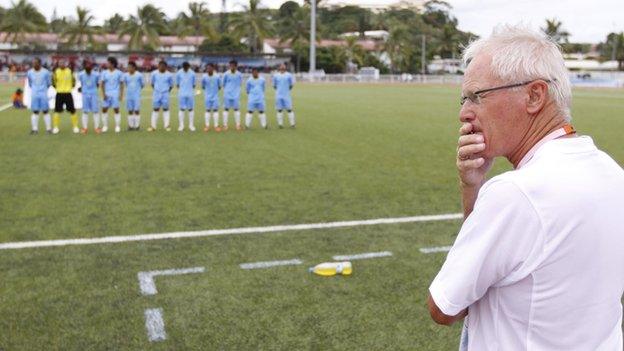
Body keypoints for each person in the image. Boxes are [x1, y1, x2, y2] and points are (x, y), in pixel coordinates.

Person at [427, 25, 624, 350]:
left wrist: (473, 194)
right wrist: (472, 186)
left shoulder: (515, 194)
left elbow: (446, 306)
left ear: (534, 95)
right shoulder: (612, 173)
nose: (464, 113)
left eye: (477, 96)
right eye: (464, 99)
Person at [26, 58, 52, 134]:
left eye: (36, 63)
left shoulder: (46, 72)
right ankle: (34, 129)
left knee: (45, 111)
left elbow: (48, 83)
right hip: (34, 94)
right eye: (33, 63)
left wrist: (43, 90)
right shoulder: (30, 72)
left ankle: (48, 129)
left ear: (40, 63)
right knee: (35, 111)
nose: (34, 64)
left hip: (43, 94)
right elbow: (30, 83)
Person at [51, 59, 77, 134]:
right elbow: (53, 82)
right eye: (60, 63)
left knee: (72, 110)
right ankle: (56, 127)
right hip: (59, 93)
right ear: (58, 64)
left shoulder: (70, 71)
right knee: (57, 110)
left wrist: (69, 88)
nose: (61, 64)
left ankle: (75, 127)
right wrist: (58, 88)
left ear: (65, 64)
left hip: (68, 93)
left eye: (63, 63)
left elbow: (74, 81)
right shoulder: (56, 72)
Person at [149, 60, 174, 132]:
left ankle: (167, 126)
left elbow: (171, 85)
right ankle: (153, 126)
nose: (161, 67)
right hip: (156, 93)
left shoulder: (169, 75)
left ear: (166, 67)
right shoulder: (154, 73)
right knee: (155, 109)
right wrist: (157, 90)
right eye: (160, 66)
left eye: (163, 66)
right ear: (158, 66)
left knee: (166, 109)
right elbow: (152, 84)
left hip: (165, 93)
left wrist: (166, 91)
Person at [101, 57, 124, 133]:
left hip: (115, 93)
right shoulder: (104, 73)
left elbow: (121, 84)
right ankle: (105, 126)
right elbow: (102, 84)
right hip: (107, 93)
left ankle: (117, 126)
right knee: (104, 109)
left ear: (113, 64)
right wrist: (103, 94)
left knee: (116, 109)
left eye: (108, 63)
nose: (107, 64)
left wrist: (121, 95)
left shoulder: (119, 73)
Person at [77, 60, 101, 134]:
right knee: (85, 111)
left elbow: (97, 84)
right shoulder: (80, 74)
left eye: (89, 66)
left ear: (91, 67)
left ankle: (97, 128)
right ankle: (85, 128)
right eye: (86, 66)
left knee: (95, 111)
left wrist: (93, 90)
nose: (88, 68)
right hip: (85, 94)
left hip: (93, 94)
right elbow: (80, 84)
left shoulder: (96, 74)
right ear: (84, 67)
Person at [272, 63, 296, 128]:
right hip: (278, 95)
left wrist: (286, 91)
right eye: (281, 66)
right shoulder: (275, 76)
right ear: (279, 68)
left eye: (284, 66)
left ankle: (292, 124)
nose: (282, 67)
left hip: (286, 95)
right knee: (279, 110)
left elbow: (291, 85)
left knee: (289, 109)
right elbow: (274, 86)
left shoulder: (289, 75)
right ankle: (280, 124)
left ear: (285, 67)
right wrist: (279, 91)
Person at [222, 60, 243, 131]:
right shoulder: (226, 74)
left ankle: (238, 125)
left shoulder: (239, 74)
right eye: (230, 65)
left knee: (236, 109)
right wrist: (228, 90)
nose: (232, 67)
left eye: (233, 65)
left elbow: (240, 83)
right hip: (227, 95)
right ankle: (225, 125)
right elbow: (223, 84)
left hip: (236, 95)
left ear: (236, 66)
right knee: (226, 109)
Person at [175, 61, 196, 132]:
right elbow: (177, 84)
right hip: (182, 94)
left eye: (187, 68)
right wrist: (182, 90)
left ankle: (191, 125)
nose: (185, 69)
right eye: (184, 68)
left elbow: (194, 85)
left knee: (191, 109)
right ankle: (181, 126)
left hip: (190, 94)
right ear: (182, 67)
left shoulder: (192, 73)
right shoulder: (179, 73)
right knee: (181, 109)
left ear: (189, 67)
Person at [124, 61, 144, 131]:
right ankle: (130, 126)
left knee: (137, 110)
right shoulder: (125, 75)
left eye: (130, 67)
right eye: (128, 67)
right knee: (130, 110)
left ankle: (137, 126)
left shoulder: (139, 75)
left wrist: (137, 91)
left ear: (134, 67)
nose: (128, 68)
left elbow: (142, 85)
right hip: (129, 95)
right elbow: (126, 84)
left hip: (136, 96)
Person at [201, 63, 221, 132]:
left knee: (215, 110)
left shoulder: (217, 76)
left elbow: (219, 86)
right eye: (207, 68)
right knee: (207, 110)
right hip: (207, 97)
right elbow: (203, 86)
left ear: (213, 68)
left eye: (209, 68)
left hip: (215, 96)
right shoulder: (204, 77)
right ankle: (207, 126)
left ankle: (216, 126)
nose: (208, 69)